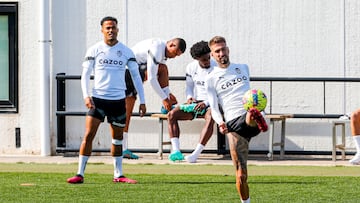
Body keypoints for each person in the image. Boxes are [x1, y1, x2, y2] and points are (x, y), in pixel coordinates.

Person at [67, 16, 146, 184]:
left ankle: (118, 175)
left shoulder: (126, 51)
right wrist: (86, 95)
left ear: (117, 29)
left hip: (118, 102)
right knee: (88, 135)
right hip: (98, 101)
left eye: (113, 27)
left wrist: (143, 100)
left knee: (117, 139)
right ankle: (79, 174)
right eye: (107, 28)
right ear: (102, 30)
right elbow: (85, 75)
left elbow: (136, 76)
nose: (111, 30)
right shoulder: (94, 49)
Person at [206, 36, 268, 203]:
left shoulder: (243, 68)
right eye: (217, 51)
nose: (221, 53)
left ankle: (254, 114)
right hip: (233, 124)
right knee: (241, 174)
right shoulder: (211, 78)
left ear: (228, 50)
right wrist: (220, 122)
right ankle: (245, 202)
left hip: (247, 116)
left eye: (223, 49)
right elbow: (213, 106)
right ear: (212, 55)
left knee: (251, 105)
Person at [121, 37, 186, 159]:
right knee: (126, 113)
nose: (174, 57)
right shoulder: (156, 48)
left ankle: (123, 148)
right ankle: (122, 148)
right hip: (126, 72)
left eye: (178, 56)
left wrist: (167, 94)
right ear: (171, 44)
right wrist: (165, 98)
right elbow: (151, 78)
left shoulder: (163, 53)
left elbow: (158, 76)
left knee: (162, 68)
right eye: (175, 53)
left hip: (135, 72)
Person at [167, 41, 216, 162]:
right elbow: (189, 87)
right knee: (172, 114)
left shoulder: (217, 67)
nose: (207, 61)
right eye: (204, 60)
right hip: (196, 103)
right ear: (197, 59)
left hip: (213, 102)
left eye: (208, 57)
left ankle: (195, 154)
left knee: (211, 116)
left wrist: (206, 103)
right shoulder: (191, 67)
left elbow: (219, 93)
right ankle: (176, 151)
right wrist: (189, 98)